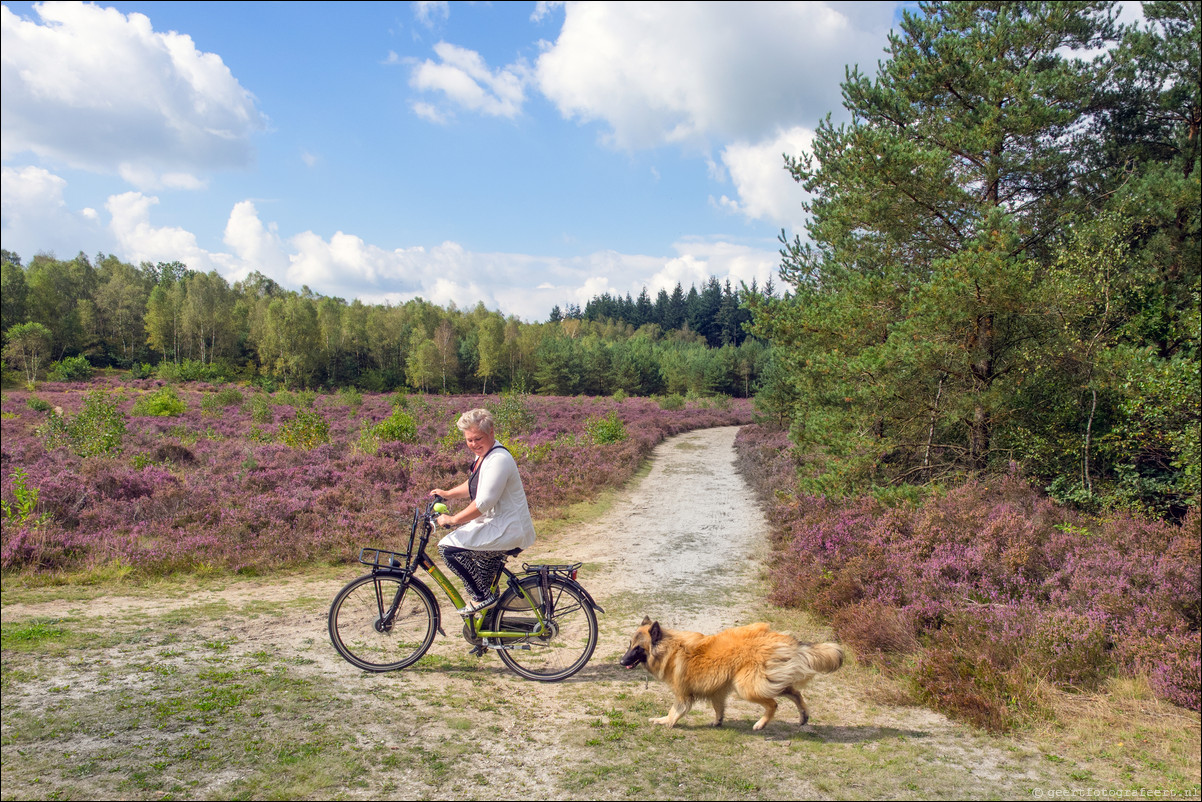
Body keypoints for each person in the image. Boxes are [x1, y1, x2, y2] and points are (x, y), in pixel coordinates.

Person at [429, 408, 536, 615]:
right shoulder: (485, 456)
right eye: (469, 440)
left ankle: (482, 597)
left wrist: (453, 519)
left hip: (507, 528)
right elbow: (474, 485)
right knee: (482, 579)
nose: (473, 444)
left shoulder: (498, 460)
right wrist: (448, 493)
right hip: (499, 525)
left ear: (491, 432)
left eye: (478, 438)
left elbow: (484, 501)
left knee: (448, 549)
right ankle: (487, 630)